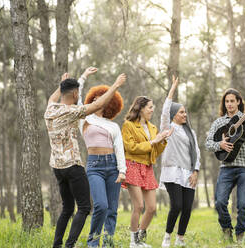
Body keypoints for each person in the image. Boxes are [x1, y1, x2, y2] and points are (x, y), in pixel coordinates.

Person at [44, 70, 126, 248]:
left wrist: (64, 84)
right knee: (84, 208)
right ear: (75, 94)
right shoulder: (73, 111)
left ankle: (57, 245)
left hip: (57, 167)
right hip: (73, 166)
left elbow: (53, 97)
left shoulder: (50, 108)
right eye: (77, 93)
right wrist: (116, 85)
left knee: (67, 208)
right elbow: (97, 106)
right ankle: (70, 245)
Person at [76, 67, 127, 247]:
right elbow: (77, 96)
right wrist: (83, 76)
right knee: (101, 206)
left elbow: (119, 149)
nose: (100, 100)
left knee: (112, 210)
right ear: (93, 99)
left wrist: (122, 171)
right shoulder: (84, 117)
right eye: (97, 97)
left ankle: (108, 243)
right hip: (94, 166)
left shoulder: (112, 126)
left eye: (104, 98)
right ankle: (93, 243)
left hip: (113, 166)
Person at [205, 88, 245, 243]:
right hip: (226, 167)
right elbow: (208, 143)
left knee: (243, 204)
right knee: (220, 202)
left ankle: (240, 234)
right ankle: (226, 229)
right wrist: (220, 145)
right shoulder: (219, 122)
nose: (229, 104)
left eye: (232, 101)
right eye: (227, 101)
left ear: (238, 102)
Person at [121, 96, 173, 248]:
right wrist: (152, 142)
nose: (152, 109)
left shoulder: (153, 127)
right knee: (138, 206)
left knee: (151, 208)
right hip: (132, 165)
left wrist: (162, 140)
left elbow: (154, 152)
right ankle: (133, 242)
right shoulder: (128, 125)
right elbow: (130, 148)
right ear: (141, 108)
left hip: (147, 167)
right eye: (150, 107)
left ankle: (140, 239)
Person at [159, 76, 201, 247]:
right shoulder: (168, 129)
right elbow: (164, 112)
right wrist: (172, 89)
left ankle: (180, 238)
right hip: (172, 172)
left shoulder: (191, 132)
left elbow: (197, 152)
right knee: (176, 205)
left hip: (188, 172)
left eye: (185, 112)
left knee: (187, 208)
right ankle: (167, 236)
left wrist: (195, 172)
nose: (185, 114)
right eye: (181, 112)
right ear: (173, 115)